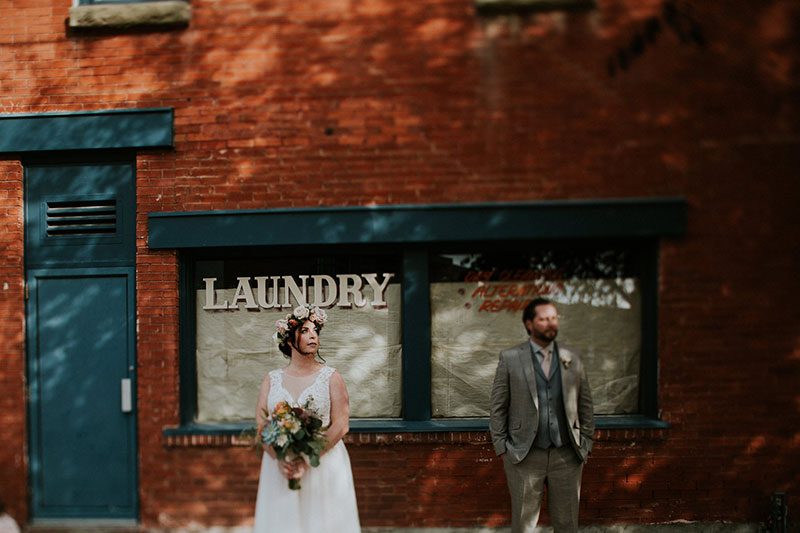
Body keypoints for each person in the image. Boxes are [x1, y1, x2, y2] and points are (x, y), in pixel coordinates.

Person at [490, 297, 595, 533]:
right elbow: (498, 406)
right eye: (544, 319)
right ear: (529, 324)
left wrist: (586, 443)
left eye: (554, 318)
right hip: (524, 455)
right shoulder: (510, 358)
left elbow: (586, 403)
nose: (551, 323)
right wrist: (502, 448)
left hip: (567, 455)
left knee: (567, 524)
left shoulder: (572, 357)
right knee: (524, 526)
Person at [253, 304, 360, 533]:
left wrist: (306, 459)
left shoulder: (331, 377)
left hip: (322, 463)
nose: (313, 335)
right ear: (290, 340)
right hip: (281, 466)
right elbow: (261, 425)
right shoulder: (271, 380)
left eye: (315, 331)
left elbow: (341, 425)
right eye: (305, 331)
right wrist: (279, 459)